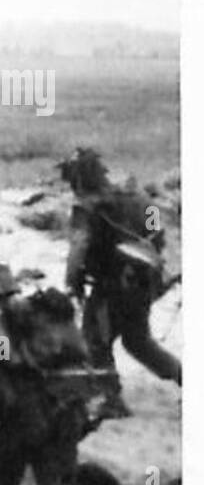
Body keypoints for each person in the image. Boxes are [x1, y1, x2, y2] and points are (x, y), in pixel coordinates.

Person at [61, 147, 180, 417]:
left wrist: (71, 281)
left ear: (78, 180)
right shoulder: (137, 198)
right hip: (143, 282)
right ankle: (184, 377)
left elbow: (79, 247)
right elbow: (157, 229)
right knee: (137, 341)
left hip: (110, 286)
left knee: (94, 340)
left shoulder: (85, 208)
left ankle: (110, 398)